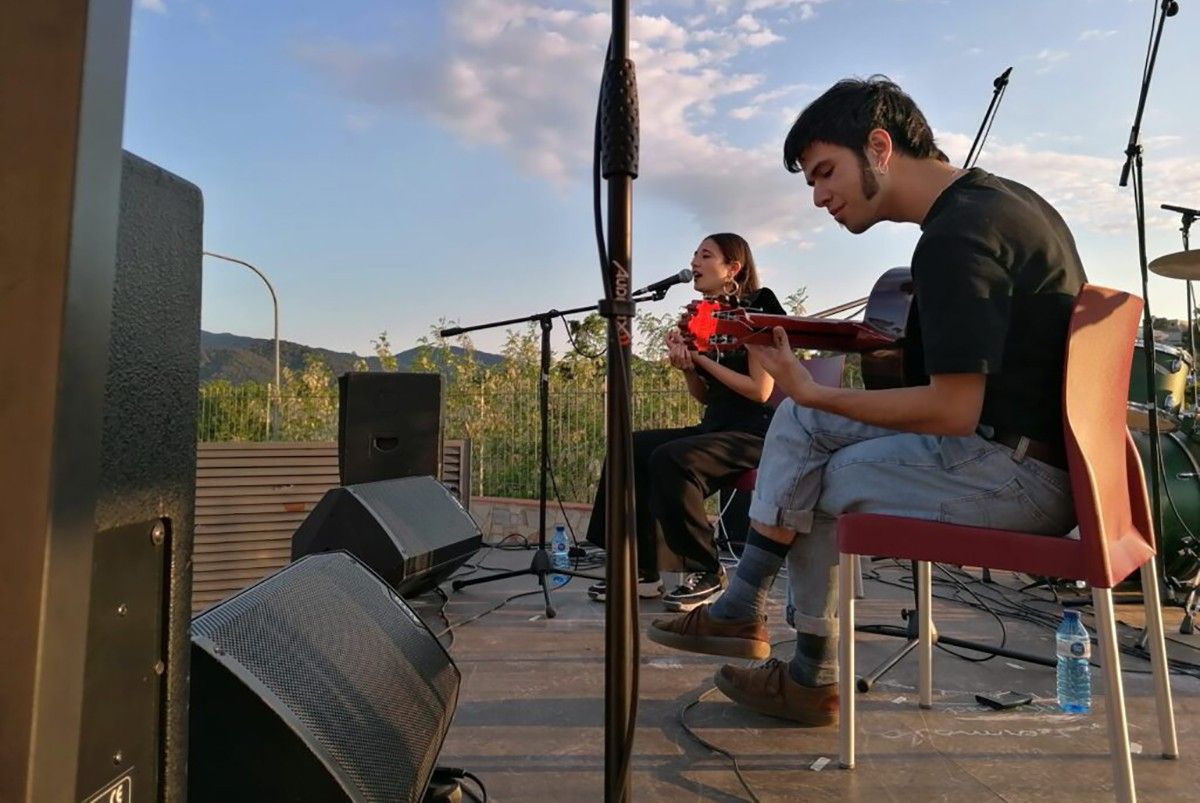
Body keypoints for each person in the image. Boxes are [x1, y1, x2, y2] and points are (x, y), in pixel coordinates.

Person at [648, 76, 1086, 726]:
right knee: (802, 416)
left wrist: (808, 385)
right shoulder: (1001, 205)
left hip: (1017, 475)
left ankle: (807, 671)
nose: (821, 195)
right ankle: (746, 611)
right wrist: (814, 388)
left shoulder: (957, 238)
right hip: (1012, 449)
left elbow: (952, 407)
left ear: (879, 146)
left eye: (826, 173)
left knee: (823, 471)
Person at [586, 232, 785, 611]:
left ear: (733, 268)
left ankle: (707, 569)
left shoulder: (758, 307)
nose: (694, 261)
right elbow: (706, 396)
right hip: (715, 427)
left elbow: (760, 390)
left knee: (672, 457)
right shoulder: (706, 318)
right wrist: (687, 367)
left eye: (705, 255)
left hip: (755, 433)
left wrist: (702, 360)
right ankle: (643, 571)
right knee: (630, 446)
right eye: (694, 253)